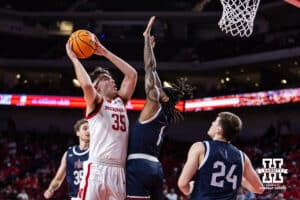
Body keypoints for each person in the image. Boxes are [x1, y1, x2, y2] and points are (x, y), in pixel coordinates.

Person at [126, 16, 193, 200]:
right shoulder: (167, 112)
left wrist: (146, 40)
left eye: (164, 89)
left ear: (163, 96)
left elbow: (149, 69)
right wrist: (150, 50)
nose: (161, 86)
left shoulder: (154, 104)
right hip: (155, 166)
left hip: (138, 164)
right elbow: (153, 71)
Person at [66, 31, 137, 200]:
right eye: (107, 78)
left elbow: (132, 75)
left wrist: (104, 52)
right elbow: (87, 86)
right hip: (97, 168)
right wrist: (75, 59)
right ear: (98, 87)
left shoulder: (120, 101)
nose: (113, 81)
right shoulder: (96, 103)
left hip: (119, 171)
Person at [178, 112, 265, 199]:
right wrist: (241, 180)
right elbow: (259, 189)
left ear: (219, 130)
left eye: (215, 121)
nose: (212, 123)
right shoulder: (243, 157)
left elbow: (182, 184)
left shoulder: (200, 147)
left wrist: (189, 189)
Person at [44, 119, 89, 199]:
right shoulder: (68, 154)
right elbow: (58, 179)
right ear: (77, 132)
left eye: (90, 129)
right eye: (85, 128)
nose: (88, 131)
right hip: (76, 197)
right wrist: (50, 189)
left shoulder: (97, 152)